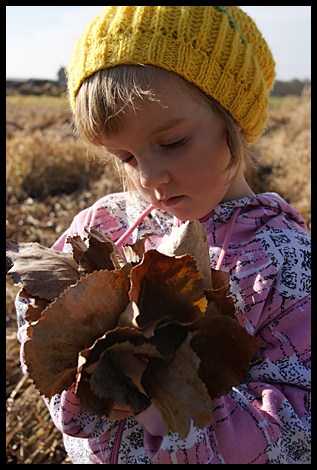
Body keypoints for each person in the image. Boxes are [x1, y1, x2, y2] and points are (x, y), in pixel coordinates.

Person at [16, 6, 311, 464]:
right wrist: (89, 382)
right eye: (126, 157)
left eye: (172, 143)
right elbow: (42, 327)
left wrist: (165, 419)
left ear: (233, 120)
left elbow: (298, 414)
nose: (150, 177)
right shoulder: (104, 227)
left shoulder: (284, 262)